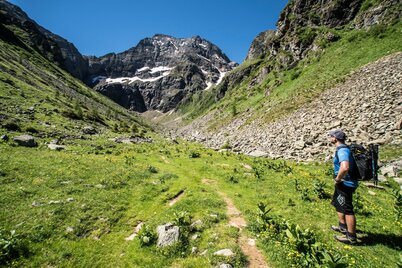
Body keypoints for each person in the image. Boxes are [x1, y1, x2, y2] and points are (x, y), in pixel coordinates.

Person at [328, 129, 358, 244]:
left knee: (347, 208)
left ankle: (351, 236)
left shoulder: (342, 150)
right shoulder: (343, 149)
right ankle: (342, 226)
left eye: (331, 136)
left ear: (335, 138)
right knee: (338, 202)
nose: (330, 138)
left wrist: (338, 179)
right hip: (343, 183)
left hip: (345, 183)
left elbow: (345, 167)